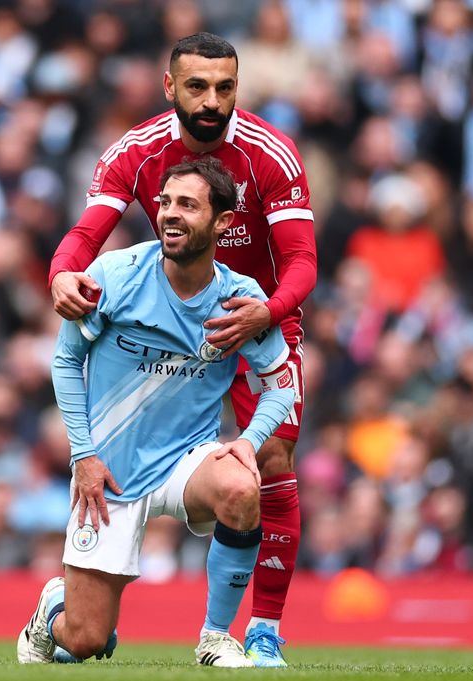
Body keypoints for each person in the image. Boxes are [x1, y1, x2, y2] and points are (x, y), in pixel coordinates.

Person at [48, 32, 316, 667]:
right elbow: (87, 235)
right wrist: (61, 273)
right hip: (169, 309)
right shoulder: (135, 152)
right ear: (170, 87)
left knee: (270, 455)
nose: (212, 100)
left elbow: (302, 263)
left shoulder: (271, 153)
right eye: (197, 86)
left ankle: (260, 630)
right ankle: (73, 608)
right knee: (85, 639)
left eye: (225, 87)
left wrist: (266, 313)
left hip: (254, 314)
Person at [17, 158, 296, 668]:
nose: (170, 214)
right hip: (111, 473)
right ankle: (51, 610)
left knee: (240, 486)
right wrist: (83, 456)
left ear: (223, 223)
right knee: (85, 642)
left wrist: (248, 441)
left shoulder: (239, 299)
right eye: (165, 202)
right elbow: (64, 360)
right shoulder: (116, 275)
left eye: (187, 205)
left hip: (185, 462)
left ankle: (215, 637)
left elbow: (282, 387)